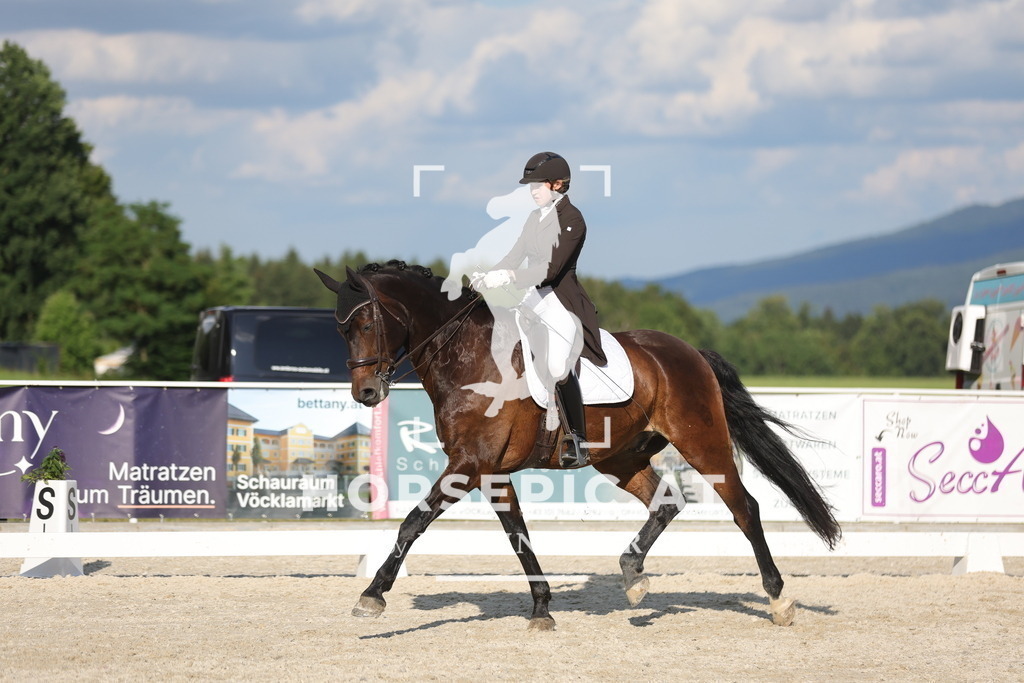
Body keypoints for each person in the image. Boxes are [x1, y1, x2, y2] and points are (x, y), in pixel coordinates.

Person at [472, 152, 606, 467]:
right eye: (530, 185)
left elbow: (550, 269)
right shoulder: (535, 218)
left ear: (557, 184)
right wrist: (488, 275)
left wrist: (510, 276)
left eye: (538, 185)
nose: (532, 191)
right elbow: (514, 255)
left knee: (559, 367)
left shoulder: (573, 219)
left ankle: (579, 439)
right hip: (531, 297)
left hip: (560, 301)